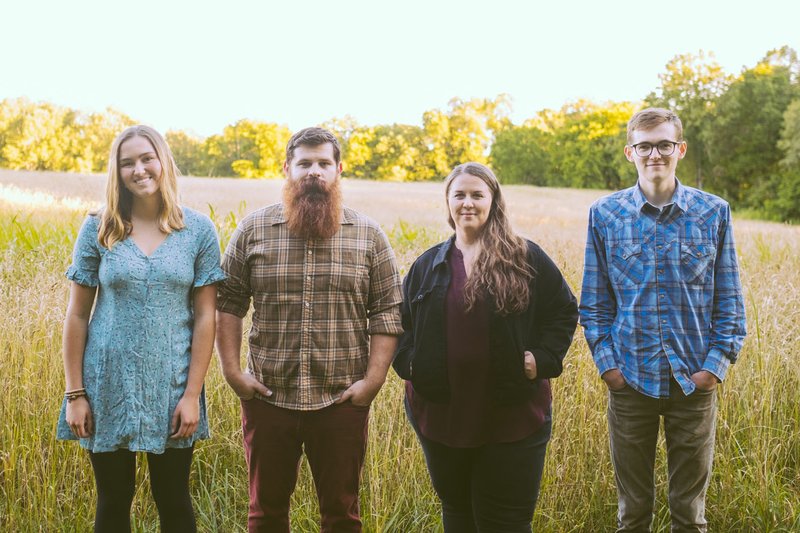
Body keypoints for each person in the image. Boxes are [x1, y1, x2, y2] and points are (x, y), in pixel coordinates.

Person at [215, 127, 402, 533]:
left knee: (341, 516)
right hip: (268, 398)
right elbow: (227, 301)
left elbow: (388, 310)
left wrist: (372, 382)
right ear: (287, 169)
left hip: (341, 402)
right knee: (265, 515)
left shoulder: (368, 235)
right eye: (304, 164)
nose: (313, 172)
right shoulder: (253, 229)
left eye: (322, 164)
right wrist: (232, 372)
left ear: (338, 170)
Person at [579, 107, 747, 532]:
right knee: (632, 514)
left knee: (689, 516)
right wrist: (609, 367)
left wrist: (713, 368)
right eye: (645, 146)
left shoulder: (714, 212)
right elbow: (595, 304)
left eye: (664, 145)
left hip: (693, 382)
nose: (655, 154)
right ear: (629, 152)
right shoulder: (605, 215)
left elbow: (729, 302)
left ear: (680, 148)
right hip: (630, 380)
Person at [393, 162, 579, 532]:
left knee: (506, 521)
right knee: (458, 514)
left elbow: (563, 310)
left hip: (512, 416)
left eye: (477, 194)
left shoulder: (526, 257)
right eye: (458, 194)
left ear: (493, 201)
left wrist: (541, 359)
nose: (468, 203)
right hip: (442, 416)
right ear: (447, 202)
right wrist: (412, 365)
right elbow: (399, 324)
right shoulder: (428, 265)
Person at [57, 125, 225, 532]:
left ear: (163, 161)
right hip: (106, 386)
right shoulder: (100, 227)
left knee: (173, 499)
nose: (139, 169)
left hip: (172, 388)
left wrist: (191, 394)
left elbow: (207, 317)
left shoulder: (197, 231)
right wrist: (75, 394)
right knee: (113, 501)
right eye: (127, 162)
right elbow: (77, 314)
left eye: (146, 158)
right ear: (117, 172)